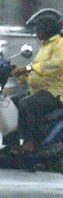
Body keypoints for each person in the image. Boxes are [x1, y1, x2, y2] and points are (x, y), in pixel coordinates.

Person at [12, 8, 63, 152]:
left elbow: (58, 64)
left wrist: (28, 69)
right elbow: (35, 68)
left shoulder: (59, 43)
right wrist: (19, 74)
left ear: (48, 28)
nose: (36, 33)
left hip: (54, 93)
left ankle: (30, 142)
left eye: (39, 29)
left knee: (25, 105)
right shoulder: (45, 46)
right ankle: (13, 143)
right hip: (38, 91)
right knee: (8, 104)